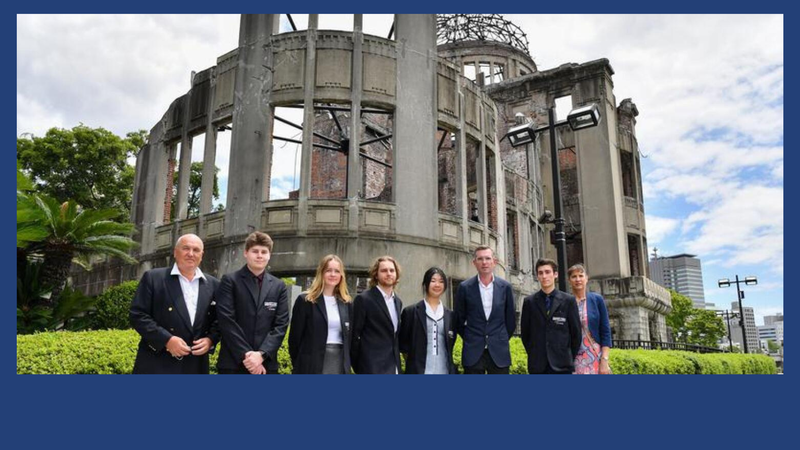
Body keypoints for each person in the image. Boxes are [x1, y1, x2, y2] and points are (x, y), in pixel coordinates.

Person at [130, 234, 220, 374]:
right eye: (186, 248)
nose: (191, 254)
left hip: (196, 364)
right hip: (157, 362)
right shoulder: (154, 278)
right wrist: (166, 340)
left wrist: (210, 340)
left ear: (202, 255)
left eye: (196, 250)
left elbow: (220, 319)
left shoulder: (214, 284)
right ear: (175, 252)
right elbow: (138, 315)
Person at [216, 231, 289, 374]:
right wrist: (249, 357)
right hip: (233, 363)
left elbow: (281, 325)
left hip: (266, 364)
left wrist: (261, 355)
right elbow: (226, 321)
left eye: (264, 252)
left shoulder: (278, 286)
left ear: (269, 255)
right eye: (255, 251)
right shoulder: (230, 281)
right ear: (246, 253)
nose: (259, 255)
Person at [454, 245, 516, 374]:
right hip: (473, 352)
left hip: (499, 351)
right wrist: (471, 337)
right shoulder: (464, 287)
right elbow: (458, 320)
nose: (484, 262)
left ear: (494, 262)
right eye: (480, 259)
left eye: (488, 258)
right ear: (474, 262)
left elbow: (511, 320)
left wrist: (499, 337)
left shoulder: (505, 287)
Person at [288, 255, 353, 374]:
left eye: (337, 271)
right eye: (328, 270)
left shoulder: (347, 303)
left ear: (341, 275)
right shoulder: (305, 300)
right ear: (321, 273)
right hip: (310, 364)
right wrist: (300, 364)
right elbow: (294, 339)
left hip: (339, 362)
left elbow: (349, 338)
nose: (333, 274)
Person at [521, 258, 581, 374]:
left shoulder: (568, 301)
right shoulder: (529, 302)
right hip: (538, 365)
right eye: (540, 273)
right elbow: (525, 335)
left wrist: (567, 356)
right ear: (537, 276)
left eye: (547, 272)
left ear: (555, 274)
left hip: (562, 365)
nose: (544, 276)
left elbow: (576, 334)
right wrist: (534, 354)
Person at [399, 267, 458, 374]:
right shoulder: (411, 312)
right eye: (433, 281)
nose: (437, 285)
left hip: (444, 371)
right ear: (425, 284)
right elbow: (404, 345)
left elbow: (451, 343)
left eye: (441, 281)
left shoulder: (450, 315)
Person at [351, 256, 403, 374]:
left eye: (392, 270)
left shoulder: (398, 302)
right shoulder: (364, 299)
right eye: (384, 270)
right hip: (371, 368)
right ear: (376, 275)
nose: (389, 273)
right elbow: (354, 337)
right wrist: (361, 366)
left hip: (394, 368)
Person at [567, 264, 612, 374]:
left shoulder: (597, 300)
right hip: (574, 358)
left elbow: (605, 331)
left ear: (586, 278)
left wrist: (604, 359)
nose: (578, 279)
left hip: (595, 356)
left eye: (581, 276)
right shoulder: (566, 302)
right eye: (574, 276)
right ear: (569, 280)